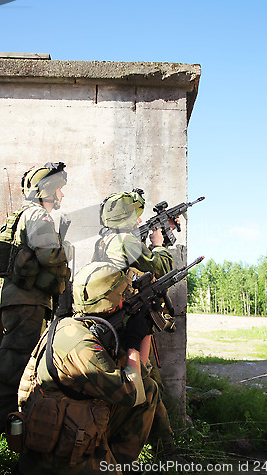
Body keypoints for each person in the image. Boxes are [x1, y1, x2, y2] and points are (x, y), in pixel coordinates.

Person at [16, 261, 159, 475]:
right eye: (123, 294)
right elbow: (131, 394)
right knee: (142, 392)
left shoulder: (73, 325)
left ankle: (119, 462)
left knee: (149, 388)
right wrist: (135, 341)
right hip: (60, 448)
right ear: (111, 303)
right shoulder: (81, 344)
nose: (126, 297)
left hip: (71, 421)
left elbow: (139, 379)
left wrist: (145, 326)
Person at [0, 162, 71, 475]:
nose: (60, 194)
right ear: (45, 189)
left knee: (17, 377)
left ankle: (13, 447)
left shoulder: (21, 216)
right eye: (57, 187)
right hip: (28, 304)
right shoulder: (39, 216)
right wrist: (65, 248)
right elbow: (49, 256)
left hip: (18, 302)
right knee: (10, 379)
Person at [93, 189, 178, 457]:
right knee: (146, 381)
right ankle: (156, 451)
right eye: (135, 216)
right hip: (128, 321)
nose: (139, 221)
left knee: (148, 381)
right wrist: (160, 242)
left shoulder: (105, 240)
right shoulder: (125, 241)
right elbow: (160, 266)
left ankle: (166, 447)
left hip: (116, 319)